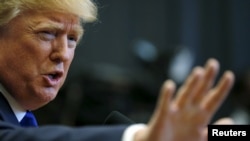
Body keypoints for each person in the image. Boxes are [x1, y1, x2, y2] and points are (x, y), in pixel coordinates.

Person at [0, 0, 235, 141]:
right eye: (48, 33)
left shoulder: (22, 118)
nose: (63, 53)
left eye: (72, 38)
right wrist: (142, 138)